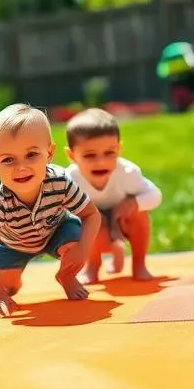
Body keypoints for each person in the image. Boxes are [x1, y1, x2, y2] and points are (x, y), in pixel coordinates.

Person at [0, 103, 100, 318]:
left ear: (49, 153)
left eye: (32, 155)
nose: (21, 167)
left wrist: (83, 249)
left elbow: (91, 215)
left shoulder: (60, 181)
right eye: (8, 160)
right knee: (10, 288)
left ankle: (67, 277)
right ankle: (1, 287)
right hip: (14, 244)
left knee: (73, 242)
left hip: (56, 232)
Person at [64, 107, 162, 282]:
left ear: (119, 148)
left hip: (123, 218)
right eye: (89, 155)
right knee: (81, 222)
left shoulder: (128, 172)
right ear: (72, 155)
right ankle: (92, 266)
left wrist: (134, 203)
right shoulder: (69, 179)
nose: (101, 162)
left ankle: (139, 265)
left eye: (109, 153)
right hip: (93, 225)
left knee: (140, 215)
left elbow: (155, 195)